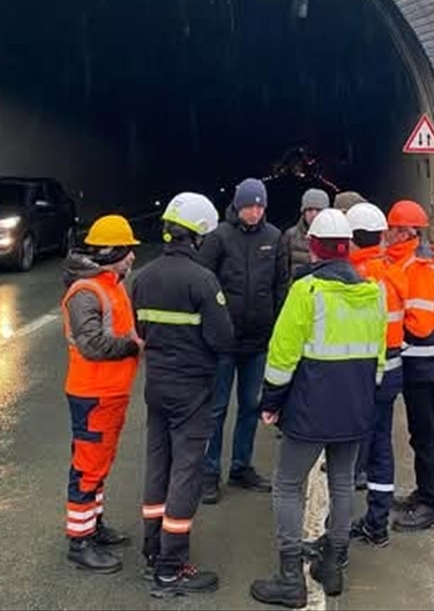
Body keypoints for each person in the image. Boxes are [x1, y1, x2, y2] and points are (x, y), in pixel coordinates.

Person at [249, 209, 387, 607]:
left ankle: (290, 576)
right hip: (356, 411)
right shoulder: (372, 294)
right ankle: (334, 566)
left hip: (310, 410)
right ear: (346, 249)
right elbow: (377, 361)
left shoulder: (306, 293)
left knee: (287, 485)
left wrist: (271, 403)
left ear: (313, 248)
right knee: (342, 482)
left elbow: (281, 356)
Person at [130, 192, 234, 597]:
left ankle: (153, 550)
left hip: (156, 385)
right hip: (192, 389)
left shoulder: (143, 277)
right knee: (186, 471)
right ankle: (171, 568)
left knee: (158, 464)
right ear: (199, 235)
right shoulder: (203, 280)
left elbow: (140, 332)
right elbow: (222, 338)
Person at [198, 177, 290, 503]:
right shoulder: (219, 237)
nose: (255, 211)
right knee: (216, 408)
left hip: (257, 341)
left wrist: (278, 326)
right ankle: (209, 473)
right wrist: (209, 328)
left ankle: (241, 467)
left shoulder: (275, 237)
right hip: (223, 342)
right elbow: (203, 285)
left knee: (251, 406)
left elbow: (282, 286)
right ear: (238, 206)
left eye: (260, 205)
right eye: (249, 205)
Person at [60, 214, 143, 574]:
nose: (133, 257)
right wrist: (132, 346)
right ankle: (79, 542)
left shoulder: (111, 283)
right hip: (92, 392)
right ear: (114, 251)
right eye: (128, 251)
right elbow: (92, 344)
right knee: (87, 466)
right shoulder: (86, 292)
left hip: (110, 392)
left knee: (100, 463)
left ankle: (93, 526)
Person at [383, 199, 434, 532]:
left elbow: (421, 325)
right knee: (418, 433)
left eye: (392, 229)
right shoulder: (404, 262)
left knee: (425, 435)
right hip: (419, 361)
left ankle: (431, 505)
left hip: (424, 363)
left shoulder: (421, 268)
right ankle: (423, 494)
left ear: (406, 232)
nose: (387, 234)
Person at [346, 201, 406, 547]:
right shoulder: (392, 271)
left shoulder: (355, 278)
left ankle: (334, 526)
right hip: (392, 371)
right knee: (381, 447)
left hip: (362, 374)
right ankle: (377, 521)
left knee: (350, 450)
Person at [282, 188, 330, 279]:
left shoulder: (333, 237)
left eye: (318, 210)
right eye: (309, 210)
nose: (314, 214)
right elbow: (283, 270)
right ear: (303, 212)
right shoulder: (290, 236)